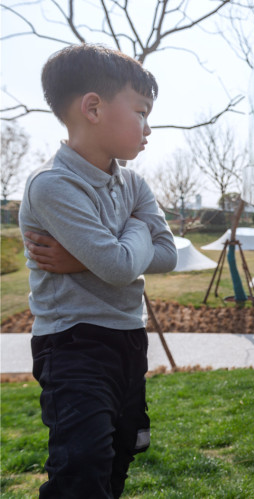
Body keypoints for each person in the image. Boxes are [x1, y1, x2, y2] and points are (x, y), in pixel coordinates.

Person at [18, 44, 177, 497]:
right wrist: (132, 232)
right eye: (142, 112)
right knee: (82, 467)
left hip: (129, 337)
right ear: (92, 107)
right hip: (74, 344)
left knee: (118, 459)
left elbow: (169, 255)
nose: (148, 128)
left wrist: (111, 249)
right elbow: (117, 265)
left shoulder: (134, 182)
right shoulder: (53, 185)